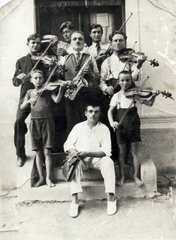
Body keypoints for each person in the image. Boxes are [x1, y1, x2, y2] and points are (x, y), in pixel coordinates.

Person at [64, 102, 117, 217]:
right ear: (86, 113)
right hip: (80, 159)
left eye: (96, 112)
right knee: (72, 163)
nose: (93, 114)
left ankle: (111, 198)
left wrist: (88, 153)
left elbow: (107, 151)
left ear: (100, 114)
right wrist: (77, 154)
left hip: (96, 159)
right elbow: (68, 144)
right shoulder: (78, 127)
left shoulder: (104, 129)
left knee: (108, 161)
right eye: (90, 111)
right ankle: (74, 201)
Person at [108, 70, 159, 187]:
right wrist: (112, 122)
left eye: (127, 80)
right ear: (118, 81)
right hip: (121, 126)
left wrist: (154, 95)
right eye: (122, 80)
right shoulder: (116, 96)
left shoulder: (135, 94)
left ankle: (135, 176)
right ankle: (122, 177)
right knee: (122, 152)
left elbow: (149, 103)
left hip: (133, 124)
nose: (125, 83)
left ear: (131, 81)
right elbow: (110, 111)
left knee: (134, 152)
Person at [20, 69, 67, 187]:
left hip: (47, 121)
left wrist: (61, 88)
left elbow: (57, 100)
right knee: (38, 153)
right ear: (31, 80)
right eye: (35, 78)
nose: (38, 80)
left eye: (40, 78)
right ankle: (41, 178)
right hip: (34, 123)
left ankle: (48, 178)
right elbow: (21, 107)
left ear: (43, 80)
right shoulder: (29, 92)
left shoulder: (47, 91)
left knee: (47, 152)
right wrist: (28, 102)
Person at [12, 33, 51, 167]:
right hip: (26, 97)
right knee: (18, 122)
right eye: (33, 43)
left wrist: (50, 65)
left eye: (38, 43)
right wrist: (19, 78)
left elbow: (52, 76)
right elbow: (15, 82)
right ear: (28, 44)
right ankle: (20, 154)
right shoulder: (21, 61)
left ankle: (48, 155)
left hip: (42, 97)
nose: (35, 45)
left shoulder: (45, 60)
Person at [62, 30, 100, 135]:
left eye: (80, 39)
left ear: (84, 42)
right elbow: (58, 77)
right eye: (74, 39)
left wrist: (91, 73)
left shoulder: (90, 57)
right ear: (70, 42)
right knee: (71, 123)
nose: (77, 41)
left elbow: (97, 79)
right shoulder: (64, 58)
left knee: (87, 123)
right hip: (70, 95)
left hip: (87, 95)